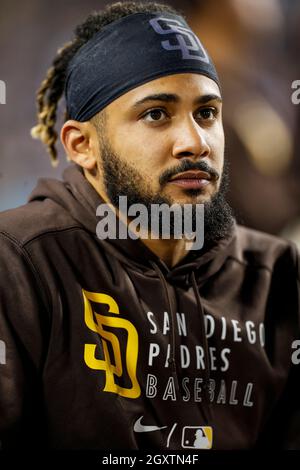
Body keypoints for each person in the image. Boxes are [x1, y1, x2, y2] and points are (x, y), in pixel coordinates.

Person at [0, 1, 299, 451]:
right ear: (82, 146)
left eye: (207, 113)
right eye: (156, 114)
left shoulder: (275, 273)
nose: (194, 143)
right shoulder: (20, 263)